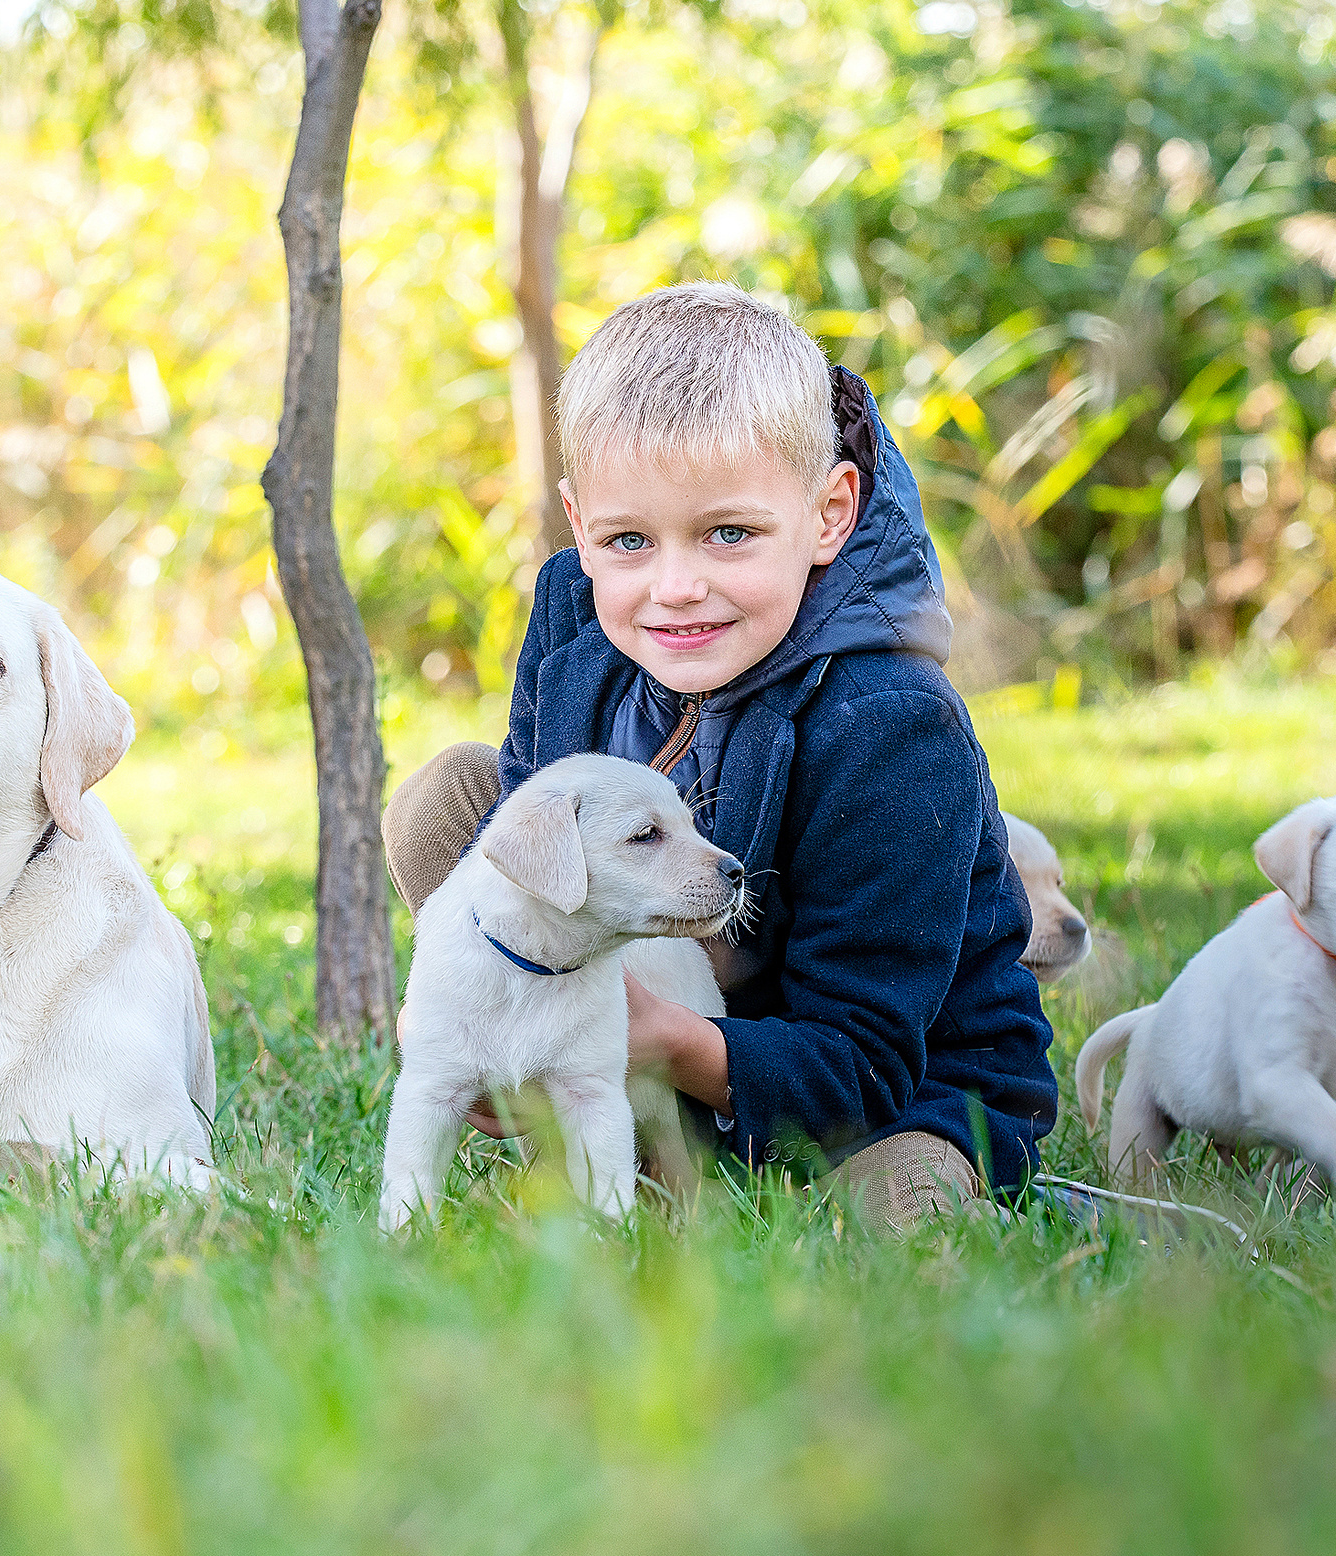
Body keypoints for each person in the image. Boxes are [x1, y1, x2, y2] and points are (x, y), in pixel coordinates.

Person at [382, 282, 1055, 1232]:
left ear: (829, 513)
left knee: (898, 1220)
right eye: (628, 540)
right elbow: (536, 860)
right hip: (635, 992)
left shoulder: (891, 722)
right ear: (578, 525)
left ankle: (699, 1136)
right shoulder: (575, 623)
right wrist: (479, 1000)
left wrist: (667, 1040)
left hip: (883, 1092)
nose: (676, 587)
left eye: (728, 532)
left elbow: (867, 1054)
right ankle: (608, 1127)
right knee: (454, 800)